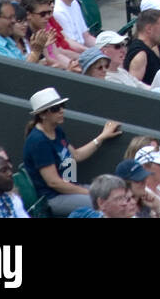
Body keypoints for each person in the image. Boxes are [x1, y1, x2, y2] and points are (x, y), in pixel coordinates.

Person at [22, 87, 120, 217]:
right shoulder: (38, 141)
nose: (61, 111)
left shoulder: (57, 131)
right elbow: (54, 182)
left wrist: (102, 137)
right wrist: (86, 192)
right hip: (53, 198)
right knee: (103, 204)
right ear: (42, 114)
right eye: (56, 108)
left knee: (113, 195)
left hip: (70, 189)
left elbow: (76, 155)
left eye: (62, 106)